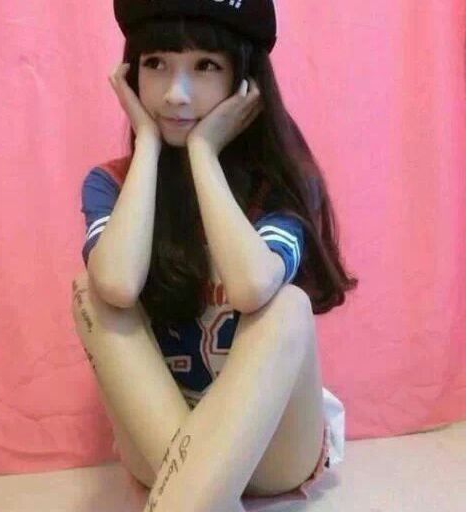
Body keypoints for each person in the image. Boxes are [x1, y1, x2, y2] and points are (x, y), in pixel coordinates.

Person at [71, 1, 358, 511]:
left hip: (271, 448)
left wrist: (202, 153)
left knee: (285, 306)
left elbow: (251, 288)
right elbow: (116, 284)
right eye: (156, 63)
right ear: (131, 73)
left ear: (243, 81)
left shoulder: (280, 186)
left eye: (205, 65)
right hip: (160, 441)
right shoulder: (110, 183)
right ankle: (197, 497)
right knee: (90, 292)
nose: (175, 93)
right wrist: (148, 145)